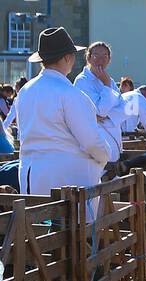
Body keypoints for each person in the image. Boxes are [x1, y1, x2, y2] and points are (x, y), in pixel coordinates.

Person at [16, 26, 112, 198]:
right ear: (68, 58)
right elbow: (91, 141)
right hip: (68, 179)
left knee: (36, 223)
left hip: (30, 174)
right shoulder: (70, 94)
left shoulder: (25, 91)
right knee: (68, 225)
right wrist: (106, 155)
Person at [74, 40, 126, 171]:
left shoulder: (110, 80)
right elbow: (100, 111)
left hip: (114, 145)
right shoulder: (82, 81)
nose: (101, 60)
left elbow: (124, 109)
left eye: (105, 56)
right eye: (96, 56)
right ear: (89, 58)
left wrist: (105, 116)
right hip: (94, 148)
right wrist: (107, 86)